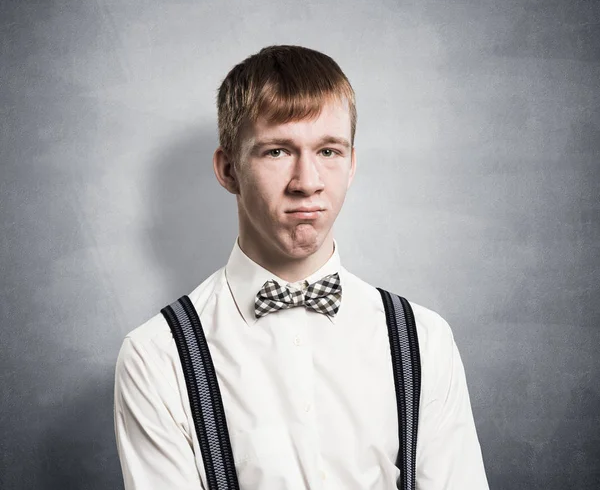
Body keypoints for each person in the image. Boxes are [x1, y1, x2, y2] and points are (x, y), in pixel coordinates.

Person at [113, 45, 490, 489]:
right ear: (228, 169)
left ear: (352, 165)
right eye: (277, 152)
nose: (307, 182)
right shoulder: (157, 356)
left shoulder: (425, 341)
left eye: (329, 151)